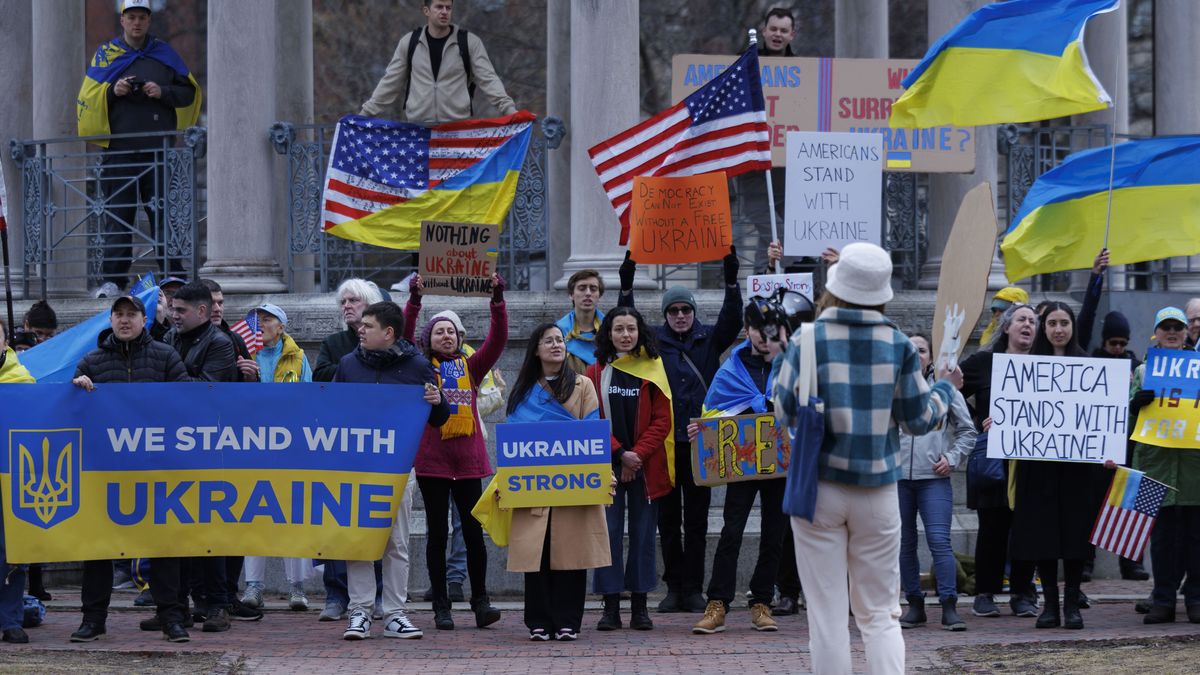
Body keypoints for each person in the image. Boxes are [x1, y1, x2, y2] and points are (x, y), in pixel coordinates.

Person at [773, 242, 961, 674]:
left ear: (835, 287)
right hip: (877, 490)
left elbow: (782, 409)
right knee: (880, 614)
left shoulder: (807, 339)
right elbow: (919, 420)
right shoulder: (899, 345)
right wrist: (946, 388)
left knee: (827, 617)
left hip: (818, 487)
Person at [616, 249, 742, 613]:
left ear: (693, 312)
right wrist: (627, 286)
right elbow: (628, 322)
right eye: (674, 311)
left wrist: (731, 279)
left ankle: (693, 588)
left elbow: (732, 319)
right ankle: (673, 587)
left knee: (698, 520)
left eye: (686, 310)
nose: (681, 316)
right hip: (666, 446)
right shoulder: (654, 342)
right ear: (666, 315)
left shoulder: (710, 339)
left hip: (701, 444)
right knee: (668, 520)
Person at [69, 295, 191, 643]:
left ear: (144, 319)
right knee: (98, 548)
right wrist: (76, 390)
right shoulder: (91, 361)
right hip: (105, 472)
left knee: (164, 546)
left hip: (157, 469)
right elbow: (72, 413)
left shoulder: (166, 357)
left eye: (131, 314)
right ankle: (93, 619)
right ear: (110, 319)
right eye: (118, 314)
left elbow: (185, 403)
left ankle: (171, 617)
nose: (125, 320)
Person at [333, 301, 449, 640]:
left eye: (368, 326)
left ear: (389, 332)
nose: (360, 330)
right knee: (358, 541)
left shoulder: (417, 366)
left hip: (398, 469)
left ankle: (396, 612)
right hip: (356, 468)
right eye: (361, 325)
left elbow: (440, 418)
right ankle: (360, 612)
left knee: (396, 542)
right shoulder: (348, 364)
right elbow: (333, 412)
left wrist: (437, 400)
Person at [405, 273, 508, 630]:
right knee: (437, 533)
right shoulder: (417, 367)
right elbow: (403, 336)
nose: (446, 336)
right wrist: (414, 301)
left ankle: (480, 601)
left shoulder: (472, 367)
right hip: (433, 463)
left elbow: (497, 342)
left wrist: (496, 299)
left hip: (467, 463)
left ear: (460, 338)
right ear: (428, 340)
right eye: (439, 332)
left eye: (452, 332)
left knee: (472, 532)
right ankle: (441, 605)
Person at [79, 0, 199, 298]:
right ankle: (113, 281)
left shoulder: (165, 54)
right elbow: (87, 97)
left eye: (142, 17)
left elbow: (190, 93)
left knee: (163, 215)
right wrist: (112, 90)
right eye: (131, 17)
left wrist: (163, 92)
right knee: (118, 217)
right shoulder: (107, 55)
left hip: (159, 153)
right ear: (122, 20)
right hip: (119, 153)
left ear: (148, 21)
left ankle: (173, 276)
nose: (136, 23)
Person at [501, 323, 611, 641]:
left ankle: (568, 621)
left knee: (571, 554)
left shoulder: (582, 386)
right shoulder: (523, 391)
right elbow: (515, 439)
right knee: (538, 553)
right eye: (548, 341)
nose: (556, 345)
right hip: (534, 486)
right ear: (536, 349)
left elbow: (591, 430)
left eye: (560, 340)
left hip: (572, 484)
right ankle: (538, 620)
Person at [690, 302, 789, 635]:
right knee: (731, 532)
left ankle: (762, 603)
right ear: (747, 331)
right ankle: (717, 603)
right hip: (743, 462)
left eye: (772, 330)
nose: (765, 336)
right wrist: (701, 428)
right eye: (759, 329)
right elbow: (714, 410)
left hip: (780, 465)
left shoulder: (794, 368)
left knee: (774, 535)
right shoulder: (731, 368)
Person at [1006, 302, 1106, 630]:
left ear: (1073, 326)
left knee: (1076, 536)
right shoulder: (1025, 367)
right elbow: (1012, 413)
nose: (1058, 329)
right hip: (1039, 468)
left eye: (1064, 322)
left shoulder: (1089, 367)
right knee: (1042, 534)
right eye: (1052, 323)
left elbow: (1102, 418)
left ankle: (1072, 604)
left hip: (1077, 469)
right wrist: (999, 423)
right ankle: (1049, 605)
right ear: (1043, 327)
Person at [587, 307, 674, 632]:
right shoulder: (595, 372)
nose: (625, 335)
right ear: (608, 333)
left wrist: (636, 455)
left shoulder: (653, 369)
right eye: (619, 329)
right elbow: (591, 419)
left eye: (631, 329)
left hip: (646, 469)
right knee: (607, 535)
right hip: (607, 467)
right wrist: (621, 454)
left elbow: (662, 420)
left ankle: (640, 606)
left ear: (640, 332)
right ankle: (610, 608)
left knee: (642, 537)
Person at [165, 281, 238, 632]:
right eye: (172, 309)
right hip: (178, 445)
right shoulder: (170, 340)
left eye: (180, 311)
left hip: (211, 447)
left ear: (202, 312)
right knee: (179, 529)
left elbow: (207, 391)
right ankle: (179, 605)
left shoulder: (220, 343)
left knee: (210, 530)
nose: (173, 316)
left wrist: (169, 379)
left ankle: (218, 604)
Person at [959, 304, 1040, 619]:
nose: (1027, 325)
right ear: (1006, 327)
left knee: (1026, 529)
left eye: (1033, 321)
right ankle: (985, 593)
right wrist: (977, 420)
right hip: (994, 460)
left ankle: (1022, 593)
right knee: (991, 528)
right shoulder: (984, 363)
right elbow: (950, 389)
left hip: (1031, 461)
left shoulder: (1045, 365)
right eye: (1021, 319)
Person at [312, 278, 386, 621]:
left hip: (377, 441)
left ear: (369, 304)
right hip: (339, 441)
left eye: (353, 300)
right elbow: (321, 376)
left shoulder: (387, 343)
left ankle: (380, 593)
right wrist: (354, 362)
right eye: (342, 302)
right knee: (337, 516)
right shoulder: (334, 343)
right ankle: (336, 594)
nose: (346, 306)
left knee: (376, 518)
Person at [897, 333, 974, 632]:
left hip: (934, 479)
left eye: (922, 350)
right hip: (899, 480)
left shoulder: (945, 390)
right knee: (904, 543)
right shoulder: (894, 390)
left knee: (940, 541)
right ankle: (914, 604)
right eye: (909, 350)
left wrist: (952, 459)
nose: (915, 354)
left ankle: (949, 606)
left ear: (931, 356)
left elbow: (968, 431)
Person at [240, 304, 314, 612]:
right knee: (253, 514)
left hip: (291, 446)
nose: (261, 324)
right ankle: (254, 586)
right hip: (255, 446)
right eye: (257, 319)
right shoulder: (248, 357)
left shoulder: (298, 357)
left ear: (281, 326)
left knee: (292, 514)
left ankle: (296, 587)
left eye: (267, 319)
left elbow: (308, 396)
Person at [1129, 307, 1200, 624]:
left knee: (1196, 539)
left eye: (1178, 327)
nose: (1172, 332)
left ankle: (1196, 600)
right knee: (1160, 540)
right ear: (1156, 332)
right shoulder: (1143, 372)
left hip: (1194, 470)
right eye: (1166, 327)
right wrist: (1135, 404)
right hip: (1155, 467)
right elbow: (1127, 423)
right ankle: (1163, 601)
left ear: (1186, 333)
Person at [359, 0, 517, 125]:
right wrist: (364, 114)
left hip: (458, 131)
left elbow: (488, 79)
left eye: (448, 8)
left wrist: (510, 111)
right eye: (439, 7)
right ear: (426, 10)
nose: (444, 12)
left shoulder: (469, 42)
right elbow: (390, 82)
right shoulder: (409, 42)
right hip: (418, 130)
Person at [743, 7, 798, 274]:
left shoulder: (803, 71)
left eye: (783, 30)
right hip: (752, 172)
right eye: (773, 29)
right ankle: (766, 285)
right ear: (764, 31)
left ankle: (762, 287)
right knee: (774, 230)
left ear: (791, 35)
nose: (777, 34)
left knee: (774, 235)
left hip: (787, 174)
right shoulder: (745, 66)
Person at [0, 322, 35, 644]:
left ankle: (10, 618)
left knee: (12, 552)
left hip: (10, 479)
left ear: (5, 341)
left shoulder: (22, 381)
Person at [556, 269, 606, 374]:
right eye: (582, 288)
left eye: (593, 289)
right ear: (571, 295)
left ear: (599, 295)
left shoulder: (610, 330)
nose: (588, 293)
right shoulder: (558, 332)